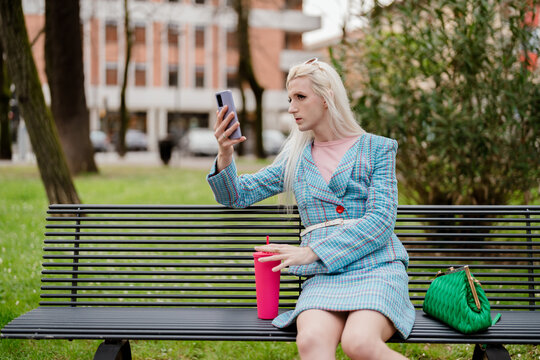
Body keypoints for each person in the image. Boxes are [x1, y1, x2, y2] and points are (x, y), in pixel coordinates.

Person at [207, 58, 415, 360]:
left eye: (300, 97)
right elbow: (236, 195)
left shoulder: (377, 149)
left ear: (327, 96)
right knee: (311, 341)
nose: (292, 108)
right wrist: (225, 151)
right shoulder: (296, 159)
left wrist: (313, 252)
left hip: (376, 268)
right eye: (290, 99)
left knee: (359, 343)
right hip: (323, 278)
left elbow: (382, 222)